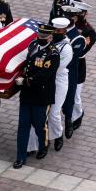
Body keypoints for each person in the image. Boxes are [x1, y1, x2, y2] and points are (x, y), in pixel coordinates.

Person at [13, 24, 60, 169]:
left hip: (42, 95)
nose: (40, 39)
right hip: (27, 94)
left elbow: (46, 75)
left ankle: (43, 144)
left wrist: (26, 80)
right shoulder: (33, 45)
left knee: (39, 125)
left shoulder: (53, 54)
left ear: (50, 37)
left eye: (44, 38)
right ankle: (20, 157)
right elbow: (27, 65)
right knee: (23, 126)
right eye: (39, 37)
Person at [27, 16, 73, 152]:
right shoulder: (46, 42)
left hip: (58, 81)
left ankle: (58, 134)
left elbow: (56, 68)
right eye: (55, 31)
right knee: (42, 113)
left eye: (60, 31)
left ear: (65, 31)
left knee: (53, 112)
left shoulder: (66, 48)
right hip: (44, 80)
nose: (57, 33)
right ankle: (41, 139)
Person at [59, 4, 87, 139]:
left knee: (69, 99)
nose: (66, 18)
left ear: (75, 19)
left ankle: (68, 120)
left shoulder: (78, 38)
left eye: (69, 17)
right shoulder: (57, 33)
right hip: (57, 72)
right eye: (65, 16)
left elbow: (70, 59)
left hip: (69, 73)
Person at [71, 1, 96, 130]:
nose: (77, 15)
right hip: (66, 64)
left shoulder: (89, 31)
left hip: (78, 65)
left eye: (80, 13)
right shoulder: (69, 25)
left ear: (85, 14)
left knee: (75, 94)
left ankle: (77, 115)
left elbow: (82, 51)